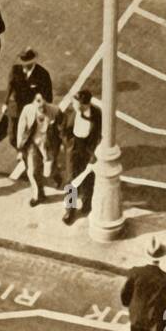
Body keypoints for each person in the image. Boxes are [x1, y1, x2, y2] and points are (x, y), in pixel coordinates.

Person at [57, 84, 100, 225]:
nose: (74, 106)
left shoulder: (96, 114)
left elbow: (98, 134)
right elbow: (65, 129)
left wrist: (94, 152)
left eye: (77, 104)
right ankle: (70, 210)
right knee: (71, 180)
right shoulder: (73, 112)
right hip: (74, 148)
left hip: (87, 150)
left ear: (84, 104)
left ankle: (87, 204)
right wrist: (67, 143)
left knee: (88, 178)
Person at [16, 92, 62, 207]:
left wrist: (61, 143)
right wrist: (20, 148)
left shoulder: (55, 110)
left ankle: (56, 175)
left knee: (48, 172)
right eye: (39, 107)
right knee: (32, 171)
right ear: (33, 105)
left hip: (48, 144)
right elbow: (21, 129)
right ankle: (38, 195)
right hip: (33, 144)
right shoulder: (27, 110)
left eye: (43, 106)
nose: (41, 109)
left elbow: (62, 128)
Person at [2, 48, 53, 149]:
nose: (23, 65)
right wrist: (5, 103)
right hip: (16, 108)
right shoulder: (15, 70)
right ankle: (20, 150)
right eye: (22, 62)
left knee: (30, 135)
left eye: (26, 62)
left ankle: (26, 152)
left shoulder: (43, 75)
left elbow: (48, 96)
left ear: (33, 61)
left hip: (31, 110)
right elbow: (10, 86)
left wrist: (42, 109)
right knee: (12, 137)